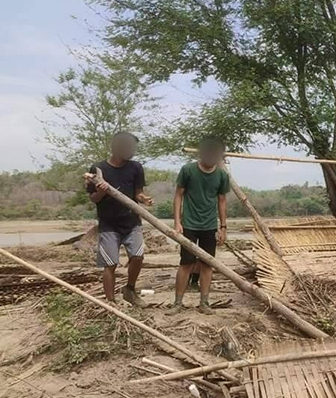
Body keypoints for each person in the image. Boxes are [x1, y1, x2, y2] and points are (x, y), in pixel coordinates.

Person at [87, 132, 154, 306]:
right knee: (111, 263)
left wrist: (144, 199)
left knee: (138, 256)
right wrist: (101, 192)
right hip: (109, 224)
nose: (132, 151)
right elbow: (93, 198)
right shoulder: (98, 169)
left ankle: (130, 290)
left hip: (132, 222)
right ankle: (111, 302)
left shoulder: (136, 167)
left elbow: (138, 193)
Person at [167, 137, 230, 315]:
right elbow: (178, 195)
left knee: (207, 264)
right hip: (189, 225)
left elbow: (222, 201)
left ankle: (204, 303)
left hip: (210, 226)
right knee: (186, 263)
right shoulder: (188, 170)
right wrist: (177, 222)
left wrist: (223, 227)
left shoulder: (222, 175)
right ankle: (178, 303)